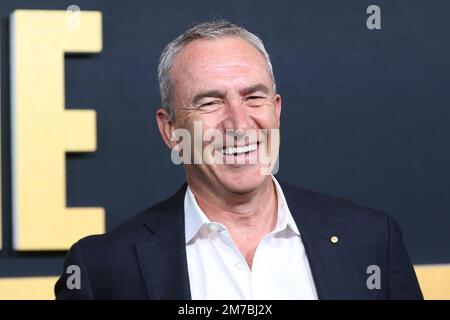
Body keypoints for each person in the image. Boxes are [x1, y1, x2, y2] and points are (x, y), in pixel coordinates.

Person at [55, 20, 423, 300]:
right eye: (210, 102)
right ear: (170, 130)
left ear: (276, 110)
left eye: (253, 97)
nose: (239, 123)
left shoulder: (373, 240)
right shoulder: (101, 271)